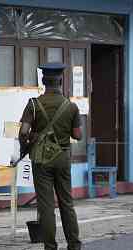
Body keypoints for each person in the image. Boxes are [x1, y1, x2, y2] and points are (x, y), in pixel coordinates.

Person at [19, 63, 82, 250]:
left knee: (46, 206)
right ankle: (74, 244)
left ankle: (50, 246)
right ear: (60, 81)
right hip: (63, 156)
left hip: (41, 159)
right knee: (66, 202)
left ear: (43, 82)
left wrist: (30, 142)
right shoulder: (71, 106)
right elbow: (77, 135)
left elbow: (23, 132)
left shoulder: (33, 105)